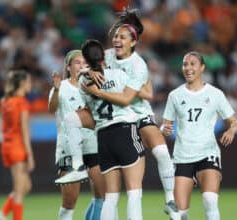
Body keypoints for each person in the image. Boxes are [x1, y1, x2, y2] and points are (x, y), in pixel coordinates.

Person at [78, 9, 180, 219]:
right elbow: (86, 69)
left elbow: (149, 93)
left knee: (161, 152)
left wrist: (122, 86)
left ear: (133, 42)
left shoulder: (138, 64)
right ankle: (73, 154)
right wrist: (90, 72)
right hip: (119, 117)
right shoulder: (106, 56)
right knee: (74, 118)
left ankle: (171, 199)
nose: (116, 39)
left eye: (122, 37)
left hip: (138, 113)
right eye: (115, 35)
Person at [161, 51, 237, 220]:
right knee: (180, 214)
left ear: (202, 67)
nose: (188, 68)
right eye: (185, 64)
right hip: (182, 156)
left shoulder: (215, 94)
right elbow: (165, 124)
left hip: (207, 153)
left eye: (192, 64)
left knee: (210, 200)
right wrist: (164, 129)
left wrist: (231, 130)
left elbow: (234, 122)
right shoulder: (174, 95)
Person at [80, 39, 145, 220]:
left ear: (85, 59)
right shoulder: (119, 75)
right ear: (104, 54)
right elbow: (128, 98)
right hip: (124, 130)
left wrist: (88, 72)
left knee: (111, 196)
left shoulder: (84, 83)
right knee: (134, 191)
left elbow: (81, 78)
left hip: (103, 136)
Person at [48, 50, 105, 220]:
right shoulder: (62, 87)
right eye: (77, 63)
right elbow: (51, 109)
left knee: (102, 196)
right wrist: (56, 90)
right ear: (68, 66)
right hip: (69, 149)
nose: (82, 66)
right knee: (69, 202)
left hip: (93, 145)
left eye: (84, 63)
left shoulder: (92, 85)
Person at [0, 70, 35, 220]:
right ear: (22, 83)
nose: (30, 85)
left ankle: (3, 212)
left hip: (6, 145)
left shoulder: (5, 102)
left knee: (26, 186)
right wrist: (30, 155)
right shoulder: (22, 103)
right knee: (19, 191)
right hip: (18, 146)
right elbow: (25, 131)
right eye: (29, 82)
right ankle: (8, 215)